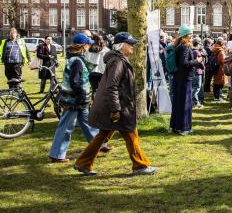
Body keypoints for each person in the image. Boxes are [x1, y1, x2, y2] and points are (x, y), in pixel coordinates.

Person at [74, 32, 155, 176]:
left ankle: (83, 163)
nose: (133, 47)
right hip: (117, 107)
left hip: (113, 106)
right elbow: (112, 86)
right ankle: (140, 165)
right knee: (131, 134)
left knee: (102, 136)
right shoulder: (118, 62)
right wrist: (116, 109)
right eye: (130, 44)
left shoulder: (118, 60)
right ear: (122, 46)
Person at [48, 33, 99, 163]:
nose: (89, 46)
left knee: (89, 122)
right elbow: (75, 81)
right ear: (83, 46)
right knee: (66, 127)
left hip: (79, 100)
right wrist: (81, 93)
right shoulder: (76, 61)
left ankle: (99, 145)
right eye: (88, 44)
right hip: (74, 100)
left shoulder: (76, 59)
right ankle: (56, 154)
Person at [170, 25, 203, 135]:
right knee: (185, 103)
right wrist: (197, 61)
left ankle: (175, 126)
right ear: (186, 35)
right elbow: (184, 63)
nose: (192, 35)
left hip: (180, 77)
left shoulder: (179, 45)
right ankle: (183, 128)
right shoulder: (184, 46)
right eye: (190, 33)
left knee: (178, 102)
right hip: (184, 78)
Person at [85, 34, 109, 98]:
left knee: (94, 90)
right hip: (103, 73)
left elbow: (87, 60)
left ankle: (94, 103)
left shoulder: (89, 50)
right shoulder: (107, 51)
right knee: (103, 91)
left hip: (92, 72)